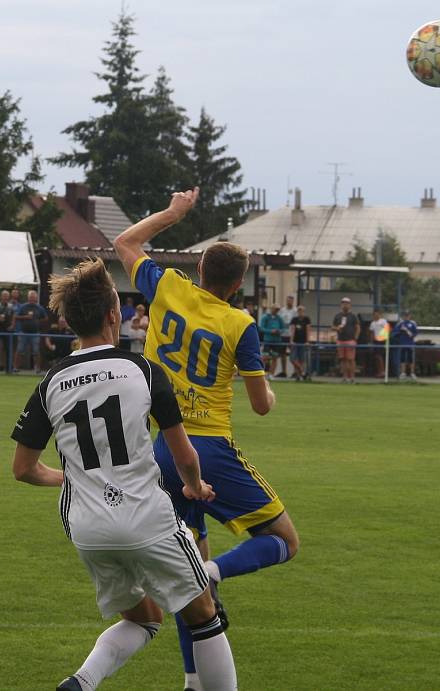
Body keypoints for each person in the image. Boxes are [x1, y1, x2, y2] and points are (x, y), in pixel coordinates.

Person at [10, 258, 237, 691]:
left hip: (88, 526)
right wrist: (193, 485)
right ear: (114, 315)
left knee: (145, 619)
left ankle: (80, 683)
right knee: (205, 615)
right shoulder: (144, 371)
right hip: (145, 517)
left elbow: (22, 469)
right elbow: (184, 453)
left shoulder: (51, 381)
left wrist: (68, 478)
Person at [114, 187, 298, 691]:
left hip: (161, 450)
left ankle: (195, 681)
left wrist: (174, 213)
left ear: (199, 272)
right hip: (208, 448)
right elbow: (261, 405)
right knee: (282, 540)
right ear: (237, 285)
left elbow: (125, 242)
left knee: (183, 578)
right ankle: (213, 573)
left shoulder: (167, 287)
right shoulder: (240, 323)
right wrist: (268, 392)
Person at [13, 290, 47, 373]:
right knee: (19, 350)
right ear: (28, 298)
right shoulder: (23, 307)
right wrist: (26, 317)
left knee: (36, 351)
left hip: (35, 333)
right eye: (30, 297)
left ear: (36, 298)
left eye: (33, 297)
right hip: (23, 332)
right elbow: (16, 316)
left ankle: (37, 368)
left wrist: (38, 321)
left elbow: (45, 318)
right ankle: (15, 368)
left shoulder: (39, 308)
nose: (32, 299)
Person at [332, 297, 360, 383]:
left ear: (350, 305)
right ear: (341, 305)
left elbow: (358, 327)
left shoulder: (353, 316)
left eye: (347, 303)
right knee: (343, 359)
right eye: (343, 303)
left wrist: (355, 338)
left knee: (351, 359)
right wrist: (337, 328)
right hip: (340, 340)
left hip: (350, 340)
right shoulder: (337, 316)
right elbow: (332, 327)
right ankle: (344, 378)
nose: (345, 305)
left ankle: (352, 378)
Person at [259, 305, 285, 378]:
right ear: (271, 309)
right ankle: (261, 374)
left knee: (275, 358)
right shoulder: (265, 317)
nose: (276, 311)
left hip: (277, 341)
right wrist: (271, 331)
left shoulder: (279, 318)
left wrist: (279, 331)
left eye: (277, 310)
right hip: (267, 340)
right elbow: (261, 328)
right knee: (265, 357)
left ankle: (271, 374)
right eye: (275, 309)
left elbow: (284, 328)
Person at [394, 309, 418, 380]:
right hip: (402, 344)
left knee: (411, 359)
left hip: (410, 344)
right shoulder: (400, 323)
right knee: (402, 359)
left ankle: (412, 373)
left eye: (408, 315)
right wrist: (400, 331)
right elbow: (395, 333)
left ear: (410, 316)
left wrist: (409, 332)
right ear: (403, 316)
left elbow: (415, 333)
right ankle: (403, 373)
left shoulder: (413, 323)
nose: (406, 316)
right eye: (405, 315)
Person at [289, 305, 312, 381]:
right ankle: (302, 372)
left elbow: (308, 330)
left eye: (301, 310)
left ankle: (299, 376)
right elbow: (292, 330)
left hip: (303, 342)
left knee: (301, 359)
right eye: (299, 310)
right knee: (292, 359)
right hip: (295, 342)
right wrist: (291, 340)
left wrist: (307, 341)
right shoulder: (294, 319)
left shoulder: (307, 319)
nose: (300, 312)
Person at [278, 295, 297, 377]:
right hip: (283, 335)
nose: (289, 302)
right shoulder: (282, 310)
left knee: (293, 354)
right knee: (282, 354)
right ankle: (284, 371)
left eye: (291, 301)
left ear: (293, 301)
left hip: (291, 335)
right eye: (288, 300)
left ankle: (295, 372)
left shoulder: (295, 311)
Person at [369, 309, 389, 378]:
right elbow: (372, 333)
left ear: (380, 314)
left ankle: (383, 372)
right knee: (376, 357)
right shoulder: (372, 323)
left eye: (377, 314)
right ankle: (379, 371)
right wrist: (371, 342)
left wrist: (386, 340)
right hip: (375, 341)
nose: (375, 315)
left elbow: (387, 330)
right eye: (374, 314)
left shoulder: (383, 321)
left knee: (379, 356)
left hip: (382, 340)